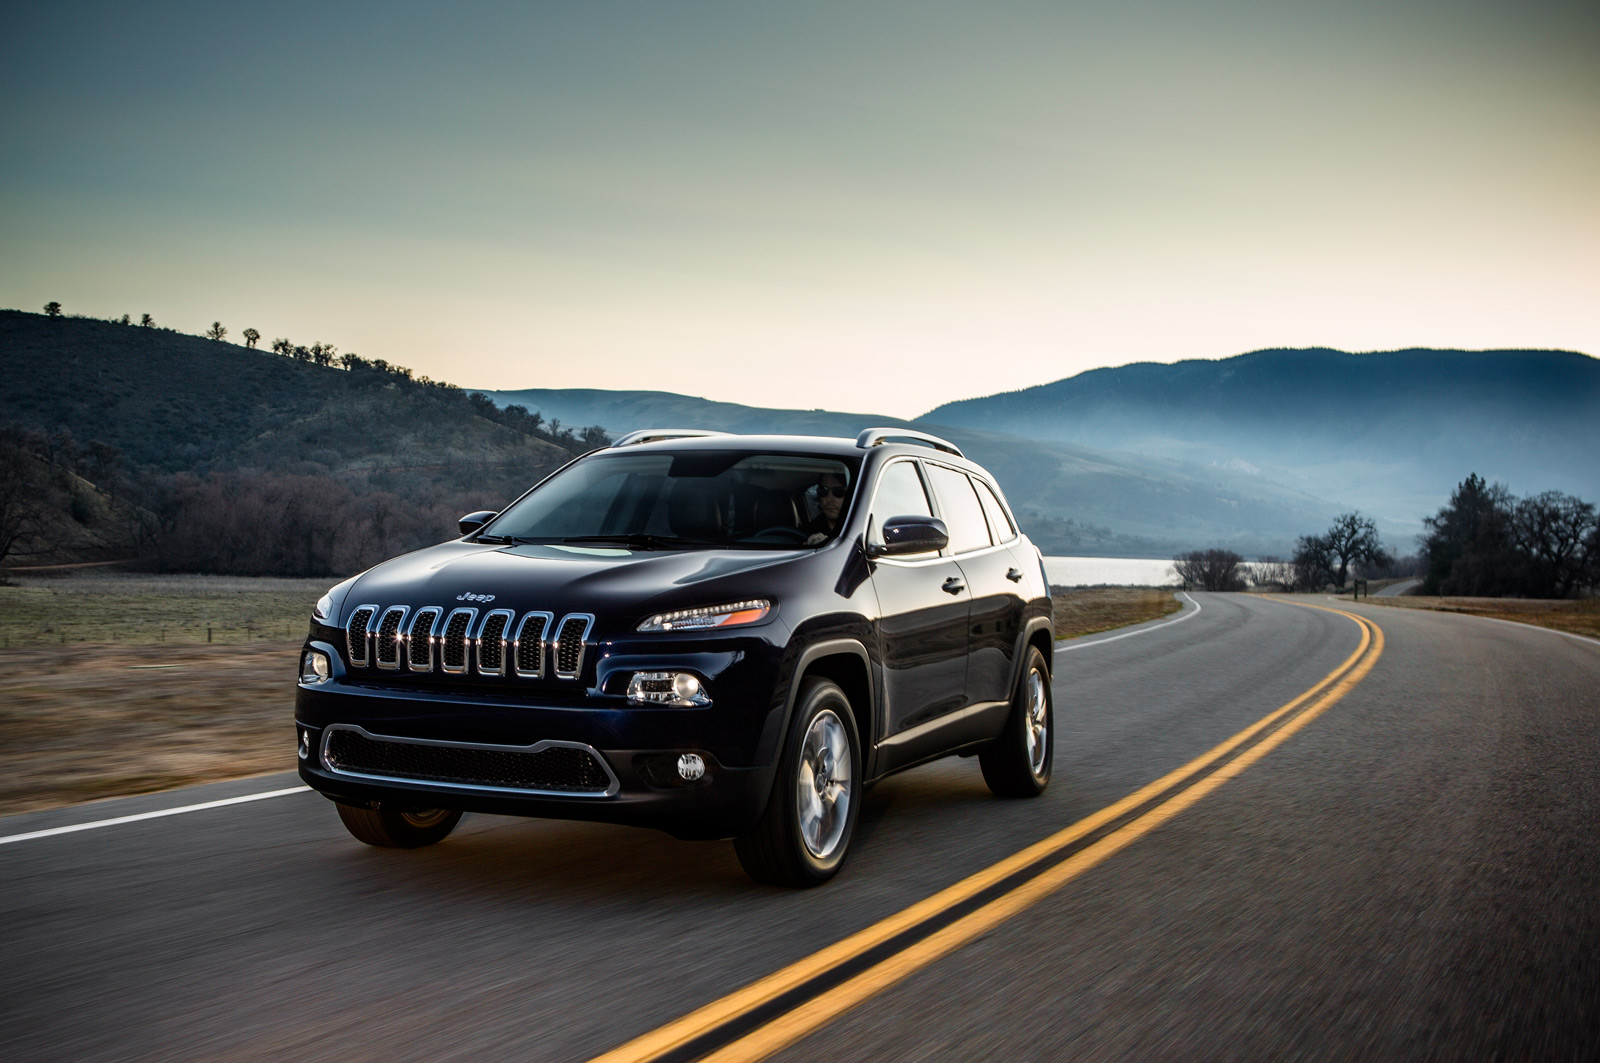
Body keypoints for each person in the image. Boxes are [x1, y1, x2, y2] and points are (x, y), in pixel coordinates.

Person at [804, 471, 849, 545]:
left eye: (838, 491)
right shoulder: (810, 530)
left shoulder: (859, 527)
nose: (829, 499)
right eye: (823, 491)